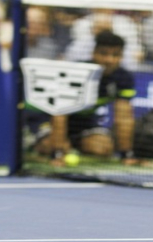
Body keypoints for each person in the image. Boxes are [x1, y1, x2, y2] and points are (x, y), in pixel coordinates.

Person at [35, 30, 141, 166]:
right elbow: (59, 113)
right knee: (48, 146)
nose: (109, 60)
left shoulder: (123, 78)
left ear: (121, 57)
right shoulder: (75, 73)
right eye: (104, 54)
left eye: (115, 55)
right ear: (94, 53)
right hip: (50, 120)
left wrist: (126, 154)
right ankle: (47, 145)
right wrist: (57, 153)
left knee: (103, 148)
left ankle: (73, 145)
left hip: (84, 123)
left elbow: (124, 116)